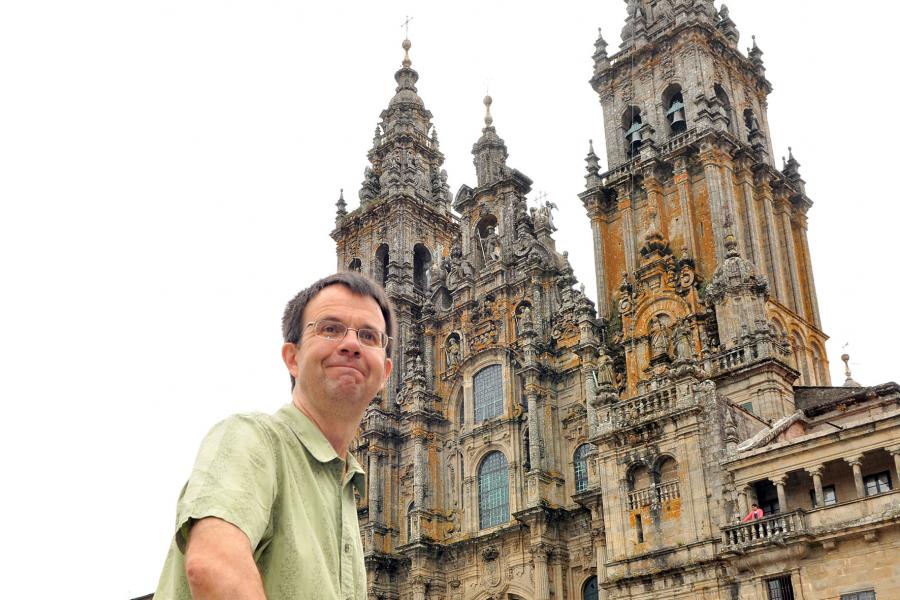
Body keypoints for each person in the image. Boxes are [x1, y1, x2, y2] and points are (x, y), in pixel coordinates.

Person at [154, 272, 395, 600]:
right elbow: (214, 565)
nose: (351, 344)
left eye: (368, 336)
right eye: (330, 329)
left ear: (385, 373)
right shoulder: (251, 438)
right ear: (292, 358)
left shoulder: (346, 489)